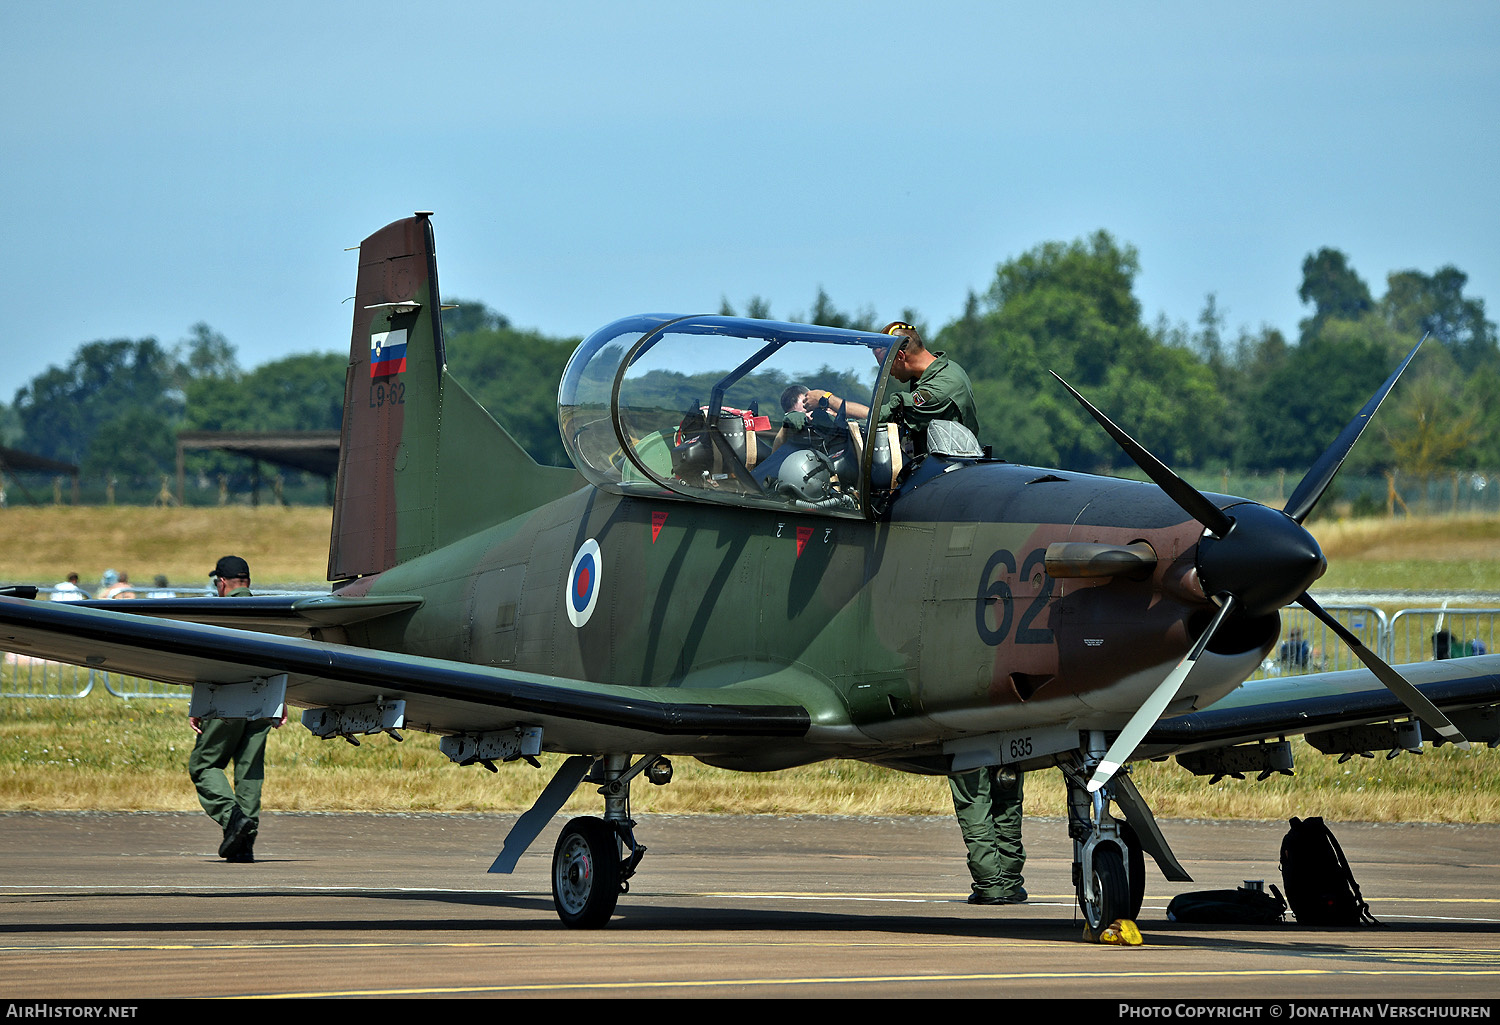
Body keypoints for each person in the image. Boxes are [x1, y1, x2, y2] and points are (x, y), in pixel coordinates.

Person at [189, 556, 282, 863]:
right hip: (263, 702)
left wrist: (199, 704)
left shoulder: (218, 610)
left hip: (227, 700)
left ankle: (232, 820)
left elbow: (205, 661)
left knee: (204, 766)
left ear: (222, 583)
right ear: (248, 583)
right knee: (250, 771)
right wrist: (281, 701)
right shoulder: (272, 613)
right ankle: (246, 843)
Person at [805, 322, 979, 454]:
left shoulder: (938, 390)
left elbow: (877, 417)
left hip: (942, 476)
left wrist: (827, 398)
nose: (887, 374)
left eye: (887, 366)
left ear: (901, 356)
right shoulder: (946, 368)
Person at [949, 765, 1027, 904]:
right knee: (1008, 801)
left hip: (968, 747)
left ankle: (990, 884)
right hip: (1007, 746)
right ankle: (1009, 883)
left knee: (974, 805)